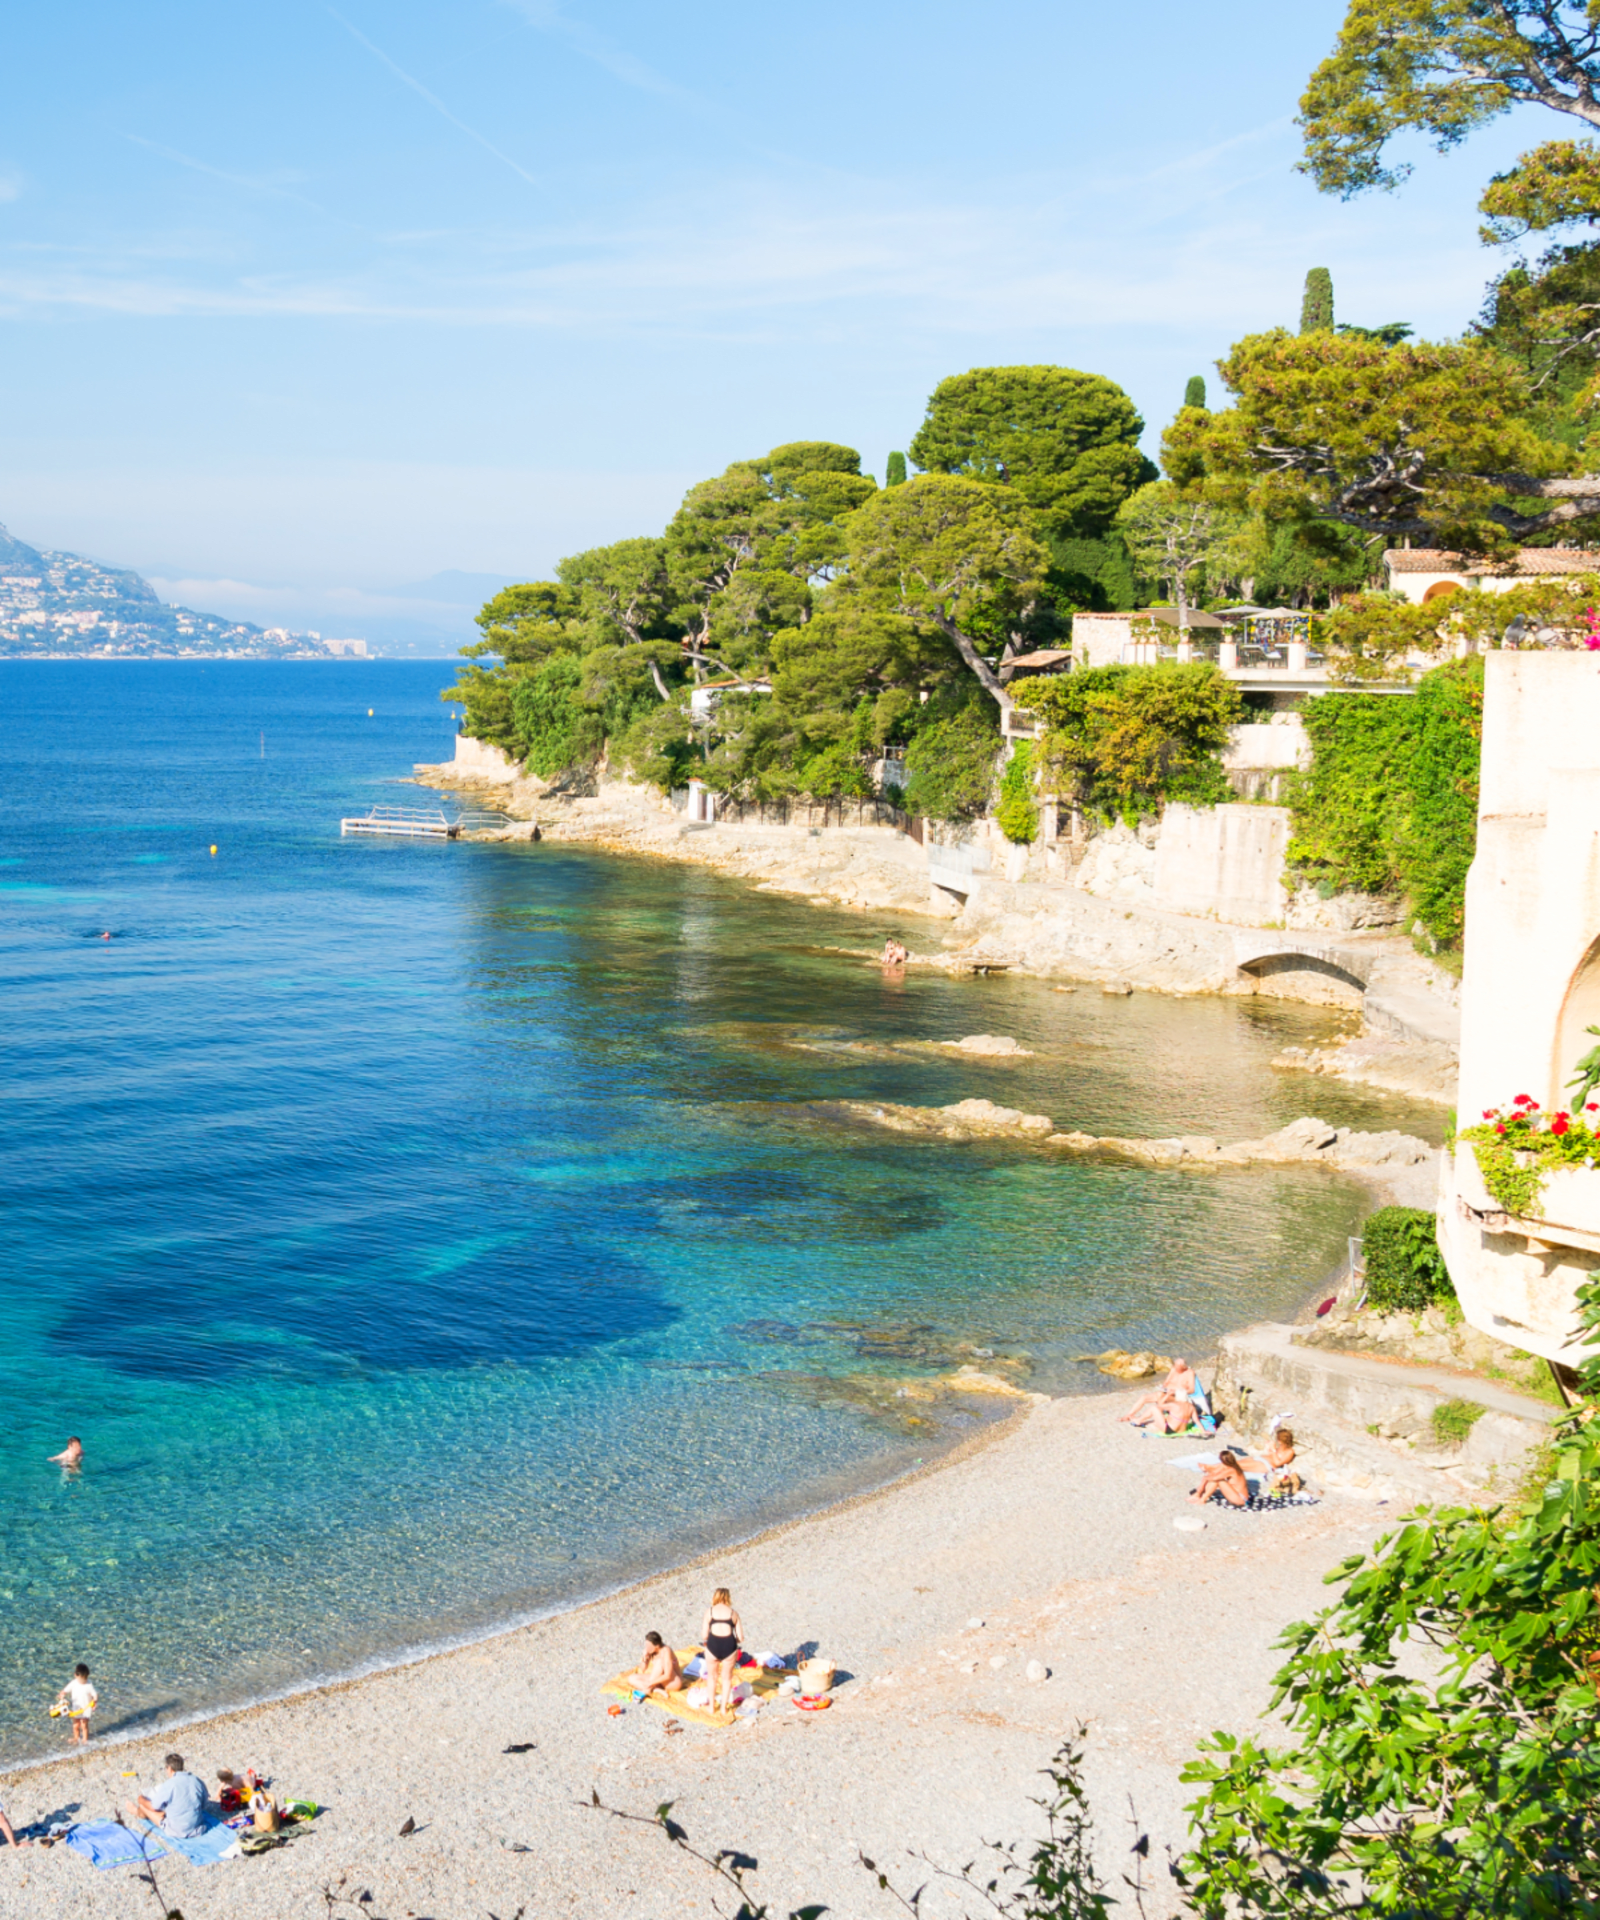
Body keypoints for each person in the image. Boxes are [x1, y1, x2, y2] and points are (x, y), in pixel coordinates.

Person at [129, 1754, 209, 1840]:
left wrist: (141, 1799)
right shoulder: (196, 1780)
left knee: (144, 1807)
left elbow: (153, 1807)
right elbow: (204, 1804)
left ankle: (137, 1811)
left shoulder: (170, 1784)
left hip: (177, 1830)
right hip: (196, 1827)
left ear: (170, 1768)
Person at [700, 1587, 744, 1717]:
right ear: (728, 1598)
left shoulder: (710, 1612)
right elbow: (741, 1638)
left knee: (712, 1677)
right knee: (727, 1678)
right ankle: (724, 1709)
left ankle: (712, 1708)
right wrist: (733, 1640)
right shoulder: (733, 1613)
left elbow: (704, 1636)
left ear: (715, 1597)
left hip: (713, 1646)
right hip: (729, 1646)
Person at [1119, 1360, 1196, 1431]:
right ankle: (1129, 1415)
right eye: (1175, 1367)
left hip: (1178, 1396)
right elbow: (1166, 1381)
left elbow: (1192, 1390)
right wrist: (1164, 1387)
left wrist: (1176, 1391)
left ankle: (1152, 1419)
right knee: (1144, 1397)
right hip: (1166, 1393)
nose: (1176, 1369)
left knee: (1160, 1396)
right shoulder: (1173, 1370)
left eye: (1178, 1368)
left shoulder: (1189, 1373)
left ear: (1184, 1367)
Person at [622, 1632, 683, 1700]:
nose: (647, 1648)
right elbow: (643, 1669)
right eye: (646, 1645)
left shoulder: (665, 1651)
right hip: (659, 1679)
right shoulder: (651, 1651)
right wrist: (644, 1658)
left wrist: (651, 1683)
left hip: (673, 1682)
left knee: (660, 1662)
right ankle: (655, 1689)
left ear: (657, 1646)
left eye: (649, 1646)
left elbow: (667, 1675)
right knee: (631, 1678)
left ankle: (648, 1689)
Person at [1241, 1428, 1301, 1496]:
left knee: (1236, 1466)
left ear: (1280, 1441)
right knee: (1235, 1463)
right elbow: (1271, 1455)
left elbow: (1277, 1463)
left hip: (1265, 1464)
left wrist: (1273, 1450)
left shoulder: (1290, 1452)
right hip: (1260, 1459)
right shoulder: (1280, 1447)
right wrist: (1269, 1448)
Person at [57, 1663, 97, 1744]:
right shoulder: (73, 1683)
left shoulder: (89, 1684)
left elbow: (95, 1695)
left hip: (86, 1709)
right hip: (76, 1708)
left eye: (85, 1678)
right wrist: (62, 1694)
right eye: (82, 1679)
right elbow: (65, 1690)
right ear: (76, 1675)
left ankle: (85, 1740)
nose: (84, 1681)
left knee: (83, 1725)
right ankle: (76, 1738)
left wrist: (95, 1702)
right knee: (75, 1725)